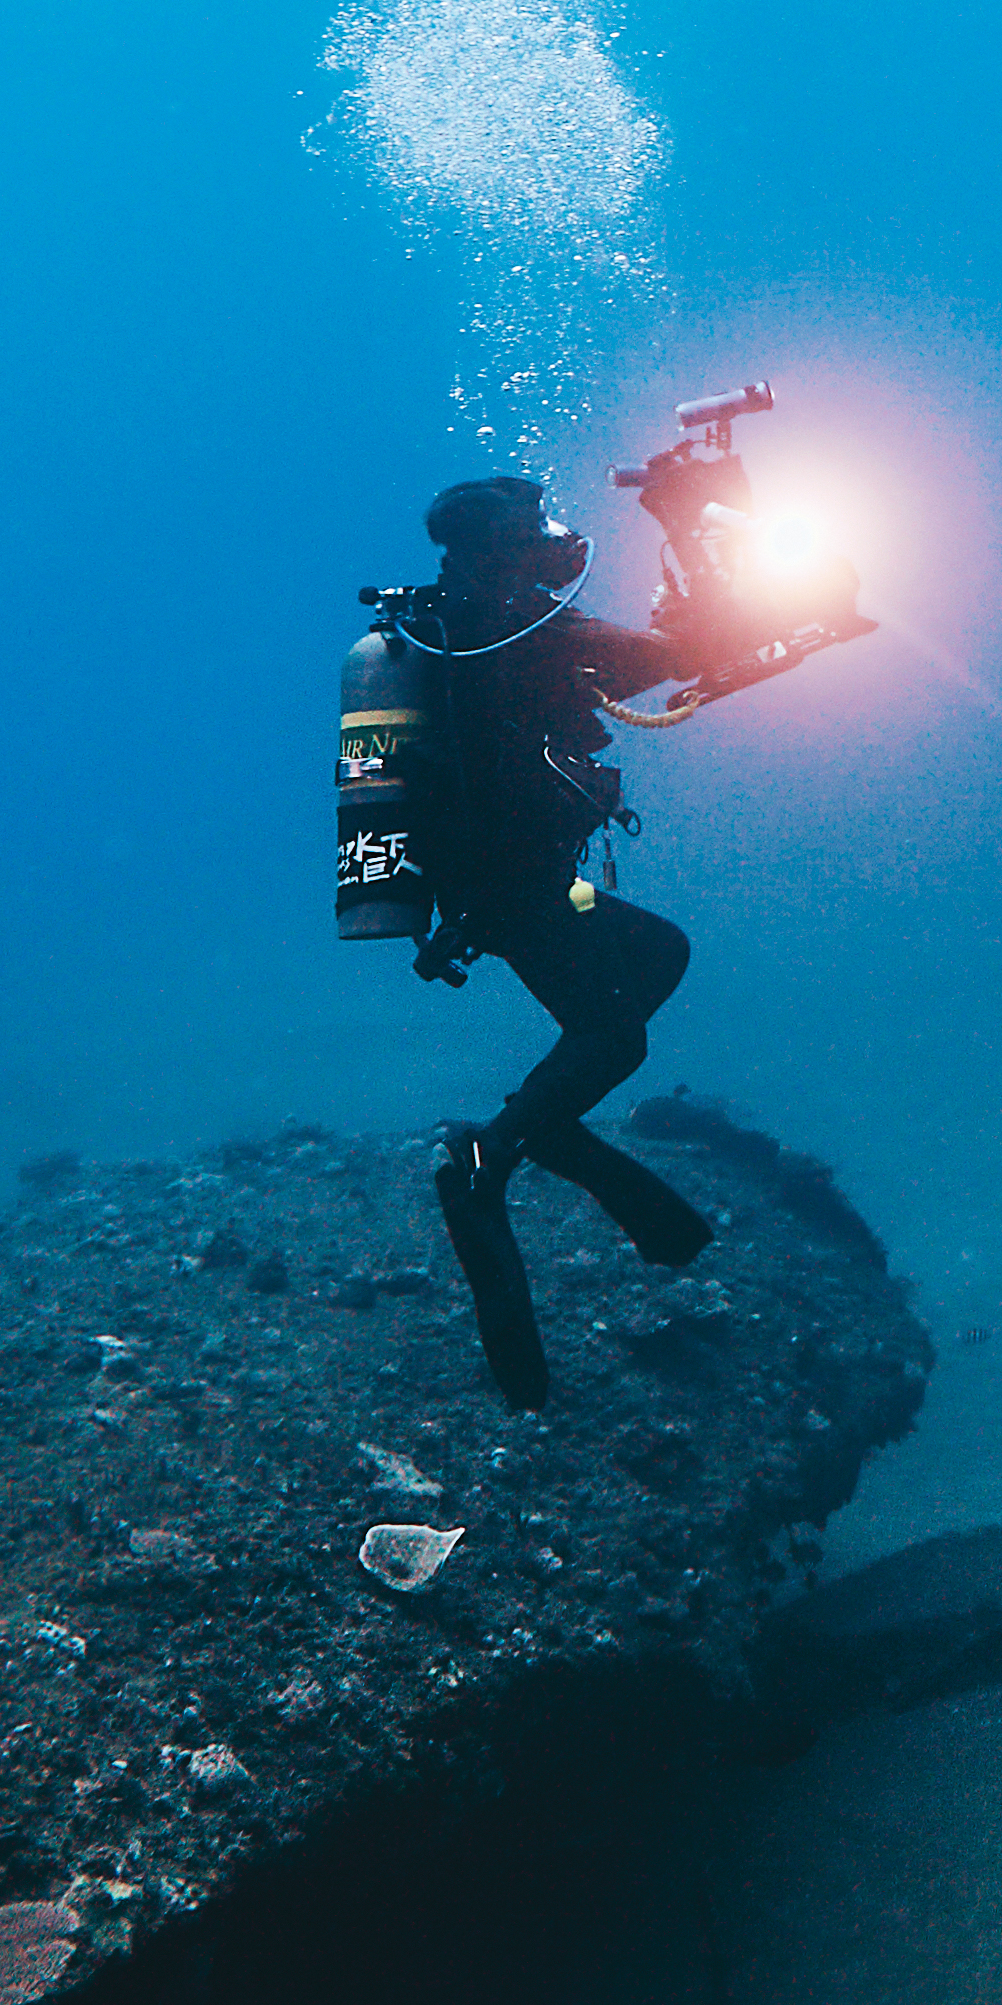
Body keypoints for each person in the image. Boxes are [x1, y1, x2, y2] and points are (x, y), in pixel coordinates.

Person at [385, 471, 725, 1410]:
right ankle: (487, 1167)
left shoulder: (449, 627)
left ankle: (543, 1129)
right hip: (515, 888)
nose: (556, 542)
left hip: (498, 884)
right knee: (613, 1036)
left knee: (659, 954)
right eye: (536, 530)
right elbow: (689, 645)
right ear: (494, 553)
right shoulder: (531, 638)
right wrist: (685, 517)